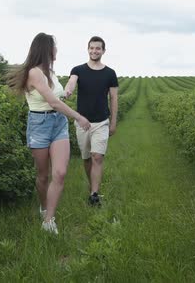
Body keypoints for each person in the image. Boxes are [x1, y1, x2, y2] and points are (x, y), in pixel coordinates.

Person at [7, 32, 91, 234]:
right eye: (54, 47)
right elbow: (52, 102)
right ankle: (44, 206)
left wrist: (67, 91)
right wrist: (79, 117)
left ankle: (48, 220)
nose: (57, 51)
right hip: (39, 124)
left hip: (58, 123)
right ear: (46, 49)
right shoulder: (34, 73)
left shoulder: (51, 73)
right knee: (43, 176)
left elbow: (58, 98)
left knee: (60, 172)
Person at [64, 36, 118, 206]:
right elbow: (72, 82)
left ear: (103, 51)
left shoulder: (110, 73)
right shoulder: (78, 69)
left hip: (101, 122)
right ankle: (92, 186)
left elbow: (114, 98)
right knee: (86, 158)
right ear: (88, 49)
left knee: (97, 157)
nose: (94, 51)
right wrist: (68, 90)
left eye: (98, 48)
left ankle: (94, 194)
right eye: (92, 48)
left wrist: (113, 121)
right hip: (82, 123)